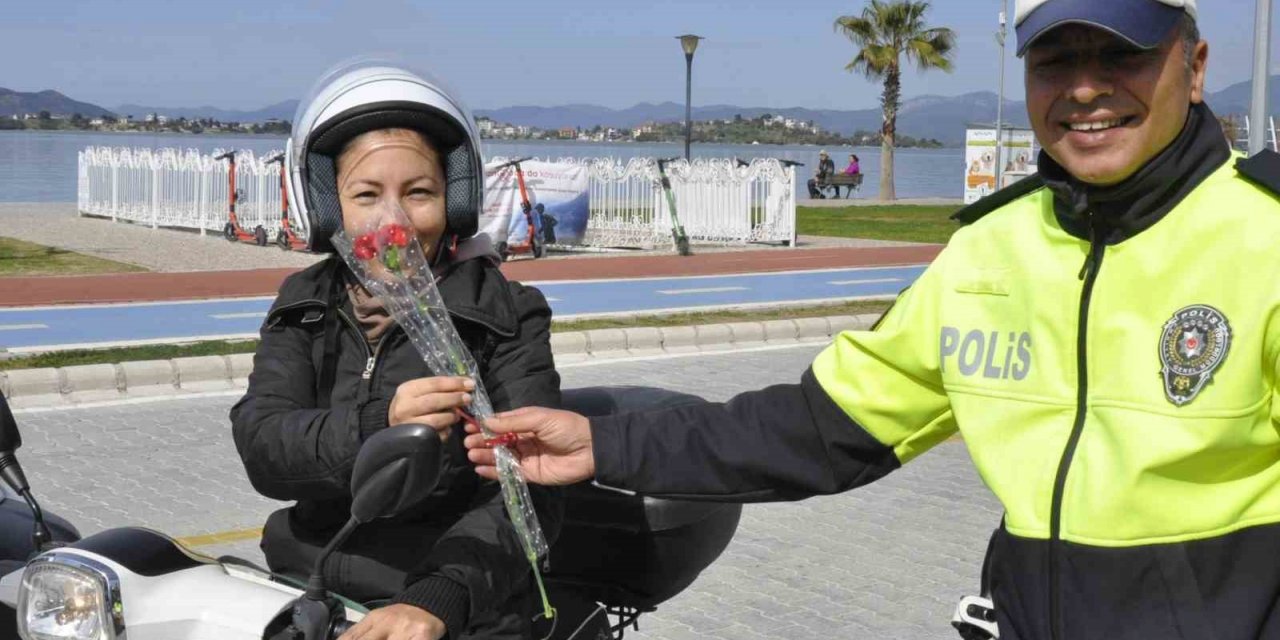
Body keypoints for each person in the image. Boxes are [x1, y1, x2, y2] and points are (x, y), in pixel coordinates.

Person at [466, 1, 1280, 638]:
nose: (1086, 87)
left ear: (1196, 66)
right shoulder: (988, 250)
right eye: (1056, 60)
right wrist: (604, 442)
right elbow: (820, 428)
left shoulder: (1264, 236)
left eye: (1122, 52)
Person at [230, 60, 561, 640]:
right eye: (366, 194)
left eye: (420, 193)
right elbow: (264, 446)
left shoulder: (505, 315)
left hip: (456, 600)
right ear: (329, 206)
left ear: (454, 201)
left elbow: (529, 489)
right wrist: (378, 426)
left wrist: (437, 599)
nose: (396, 221)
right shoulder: (303, 303)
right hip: (308, 580)